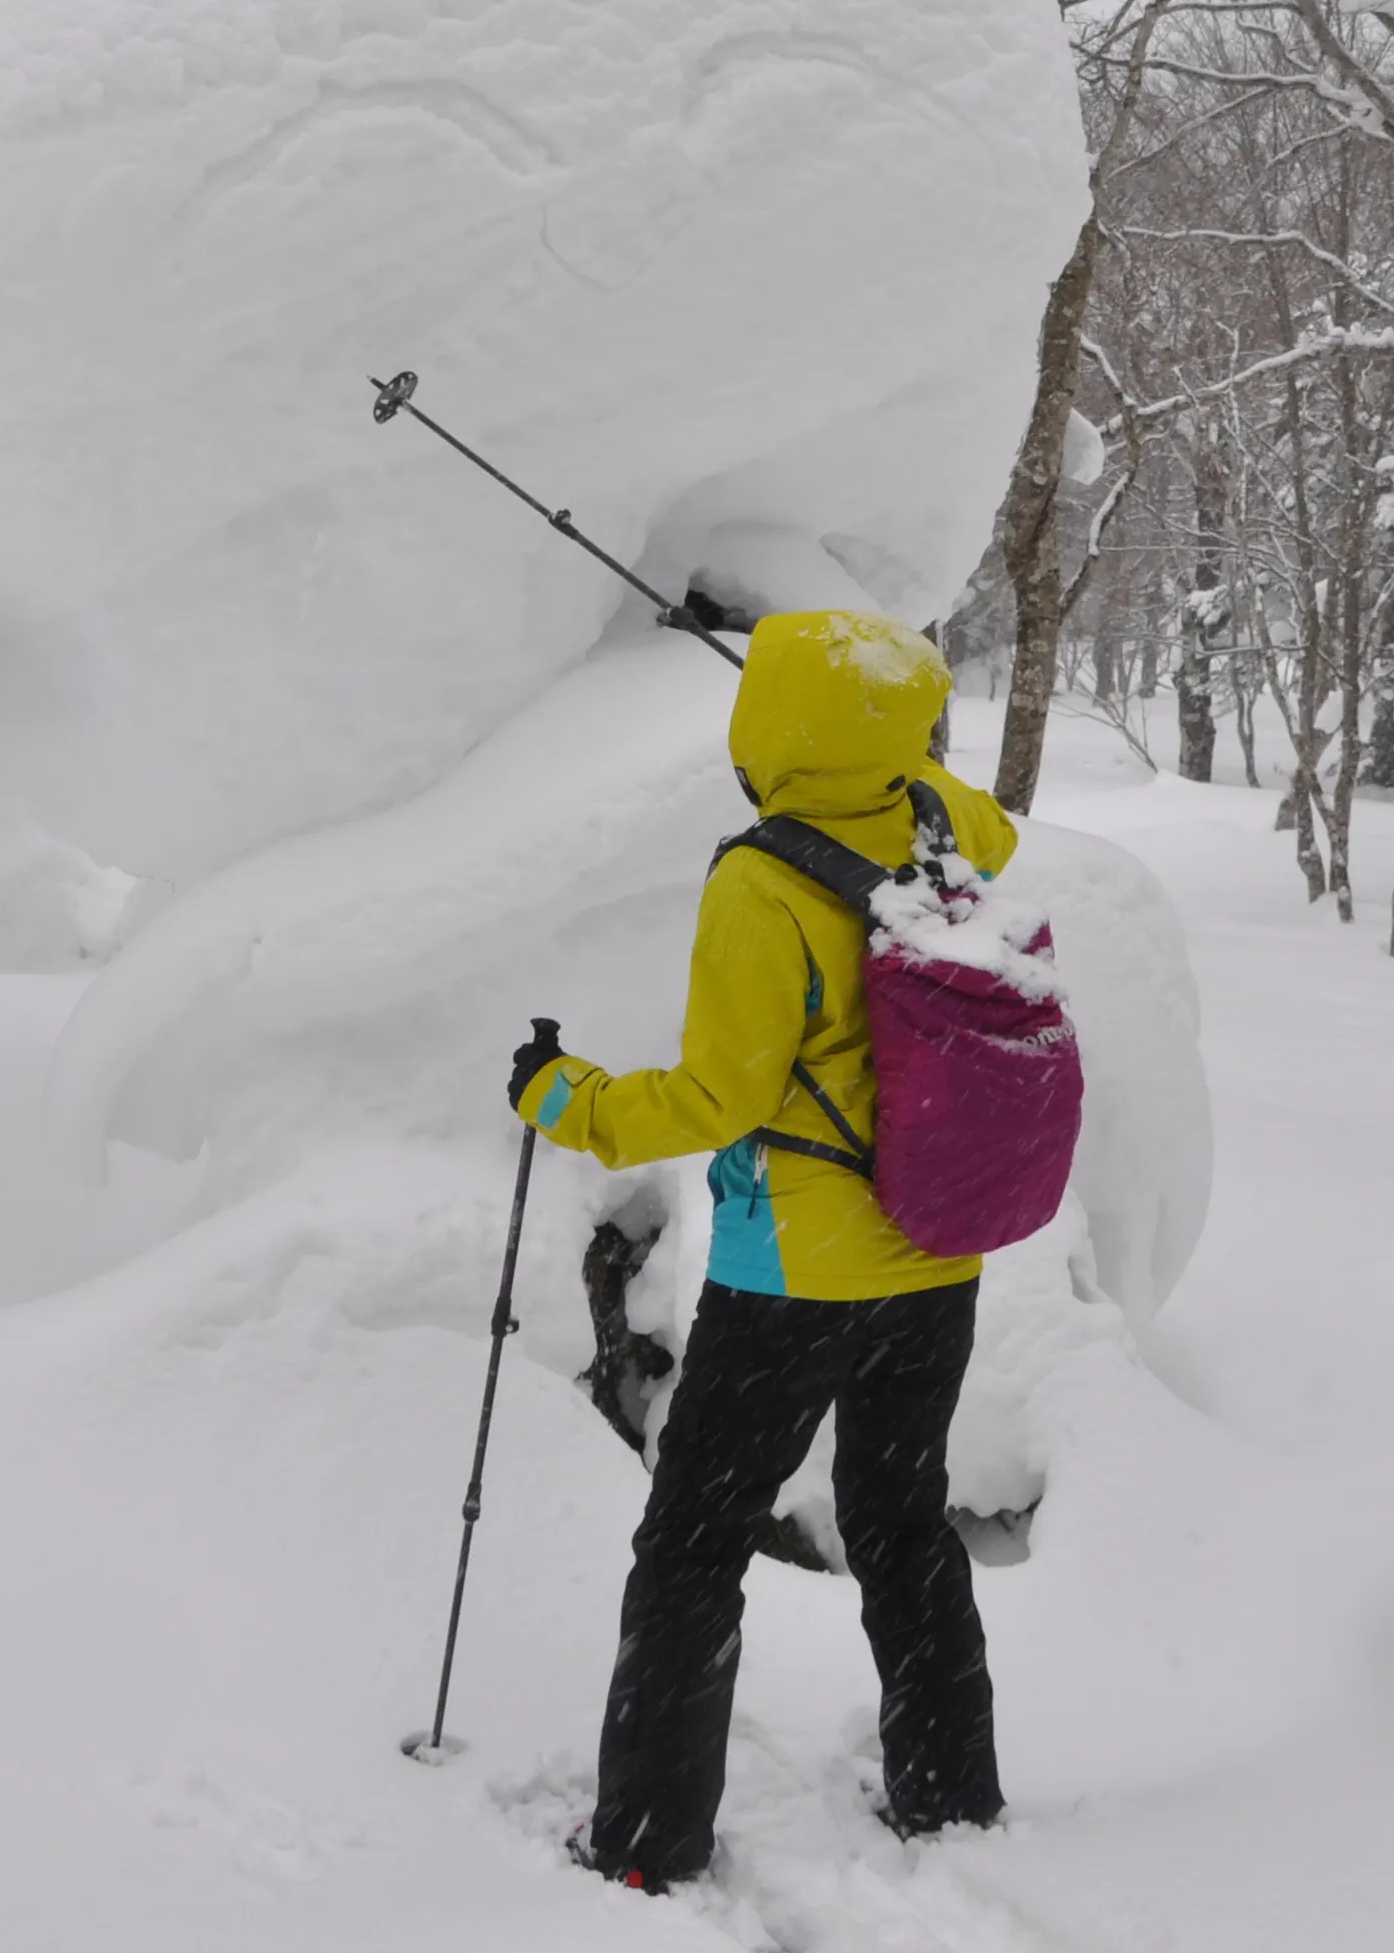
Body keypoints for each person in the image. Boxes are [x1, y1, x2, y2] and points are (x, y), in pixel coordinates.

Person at [506, 607, 1010, 1892]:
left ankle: (645, 1843)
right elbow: (964, 800)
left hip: (792, 1276)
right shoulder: (948, 830)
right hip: (935, 1257)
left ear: (762, 733)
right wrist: (878, 752)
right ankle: (948, 1797)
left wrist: (568, 1097)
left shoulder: (760, 882)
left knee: (693, 1540)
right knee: (901, 1520)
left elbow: (718, 1097)